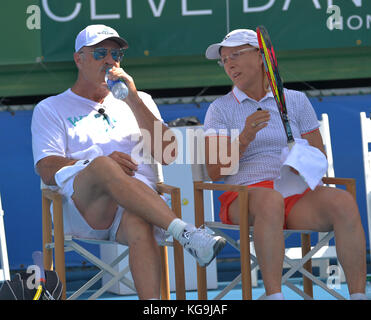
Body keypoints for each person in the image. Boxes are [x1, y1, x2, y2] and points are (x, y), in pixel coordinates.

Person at [31, 24, 226, 300]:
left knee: (140, 222)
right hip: (84, 210)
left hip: (137, 208)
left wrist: (133, 98)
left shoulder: (140, 99)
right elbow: (47, 168)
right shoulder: (50, 108)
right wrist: (94, 163)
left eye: (117, 54)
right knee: (101, 164)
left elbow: (168, 155)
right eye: (100, 53)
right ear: (79, 58)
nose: (110, 60)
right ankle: (187, 233)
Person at [203, 29, 367, 300]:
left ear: (261, 57)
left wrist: (301, 161)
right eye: (224, 59)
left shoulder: (296, 100)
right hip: (243, 199)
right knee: (269, 200)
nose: (228, 63)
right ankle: (274, 295)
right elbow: (214, 170)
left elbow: (319, 157)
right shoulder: (220, 109)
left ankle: (359, 296)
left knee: (344, 201)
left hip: (294, 196)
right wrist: (243, 139)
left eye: (235, 55)